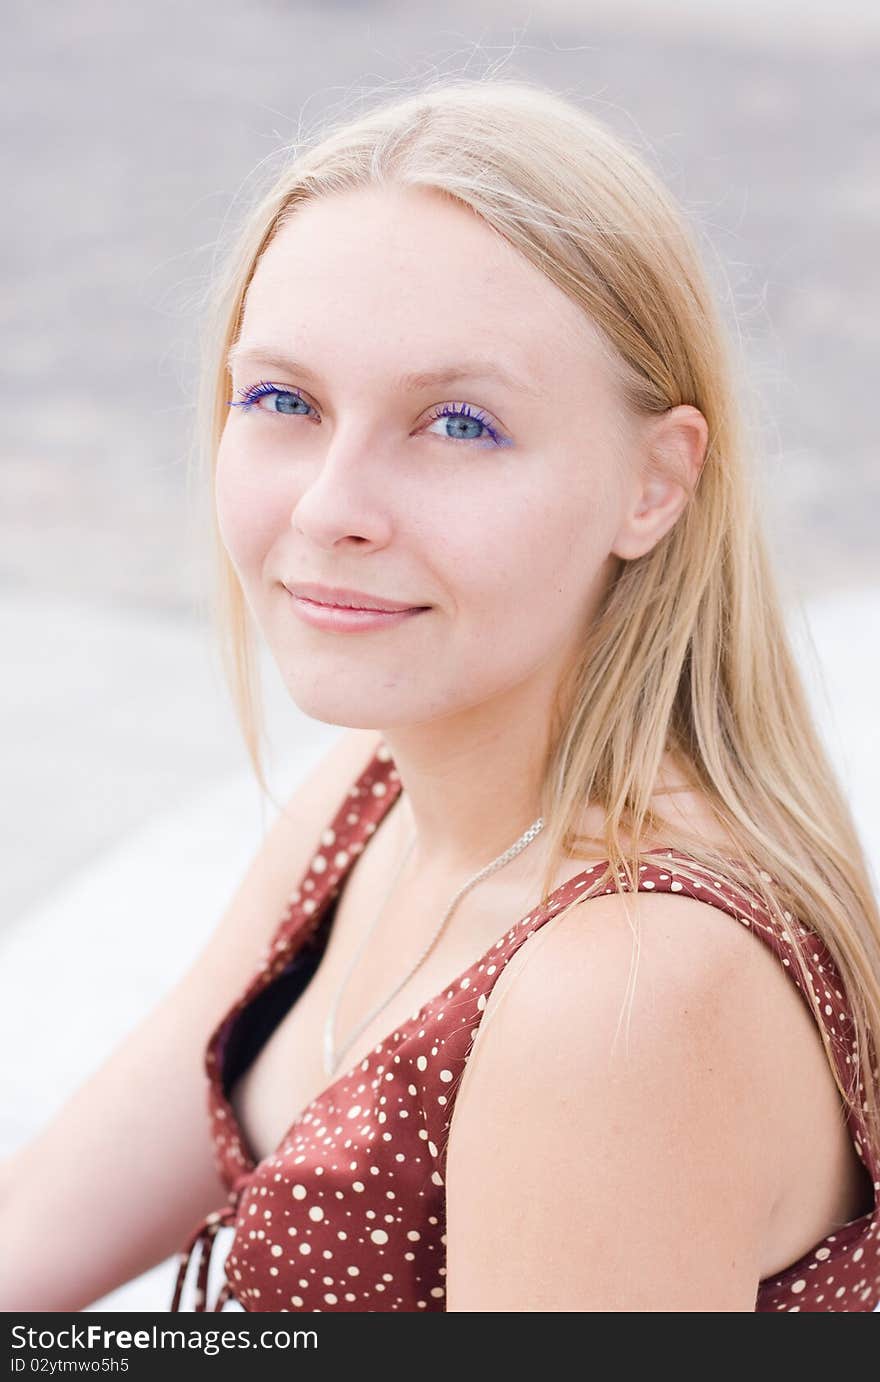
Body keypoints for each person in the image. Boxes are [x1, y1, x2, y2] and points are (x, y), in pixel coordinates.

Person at [2, 75, 879, 1314]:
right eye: (285, 401)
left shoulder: (621, 993)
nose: (328, 508)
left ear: (654, 482)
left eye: (457, 422)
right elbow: (30, 1236)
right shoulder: (373, 805)